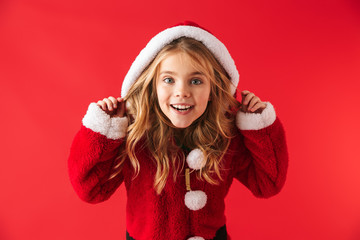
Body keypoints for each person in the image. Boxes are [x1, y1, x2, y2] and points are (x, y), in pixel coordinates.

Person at [68, 21, 288, 240]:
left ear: (213, 88)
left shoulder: (226, 135)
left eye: (195, 80)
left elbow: (268, 184)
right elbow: (90, 190)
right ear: (152, 86)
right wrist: (103, 130)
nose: (182, 91)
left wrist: (259, 128)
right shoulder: (133, 135)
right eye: (168, 80)